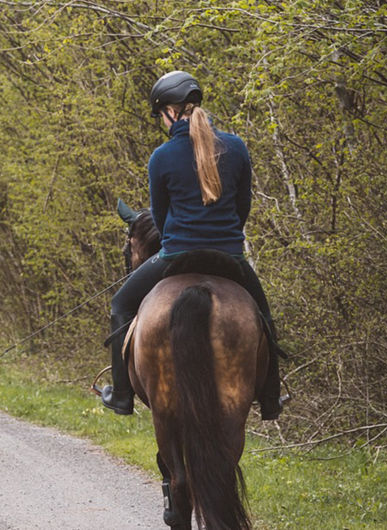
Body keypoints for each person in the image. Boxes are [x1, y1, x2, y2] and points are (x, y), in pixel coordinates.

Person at [100, 70, 287, 420]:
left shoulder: (162, 156)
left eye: (161, 116)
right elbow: (242, 207)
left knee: (122, 304)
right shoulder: (236, 146)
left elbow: (160, 215)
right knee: (263, 315)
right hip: (230, 256)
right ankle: (272, 396)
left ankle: (122, 395)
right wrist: (225, 238)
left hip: (176, 256)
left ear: (169, 111)